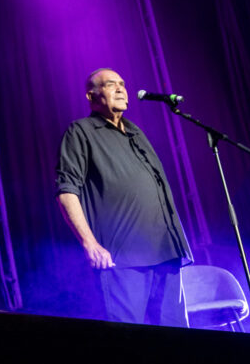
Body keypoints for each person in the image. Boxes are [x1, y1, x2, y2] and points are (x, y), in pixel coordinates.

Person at [56, 68, 191, 326]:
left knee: (178, 338)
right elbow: (66, 190)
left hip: (167, 250)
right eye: (110, 84)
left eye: (122, 84)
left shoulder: (135, 132)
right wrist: (90, 243)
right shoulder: (81, 131)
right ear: (91, 95)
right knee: (129, 340)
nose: (120, 89)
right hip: (123, 256)